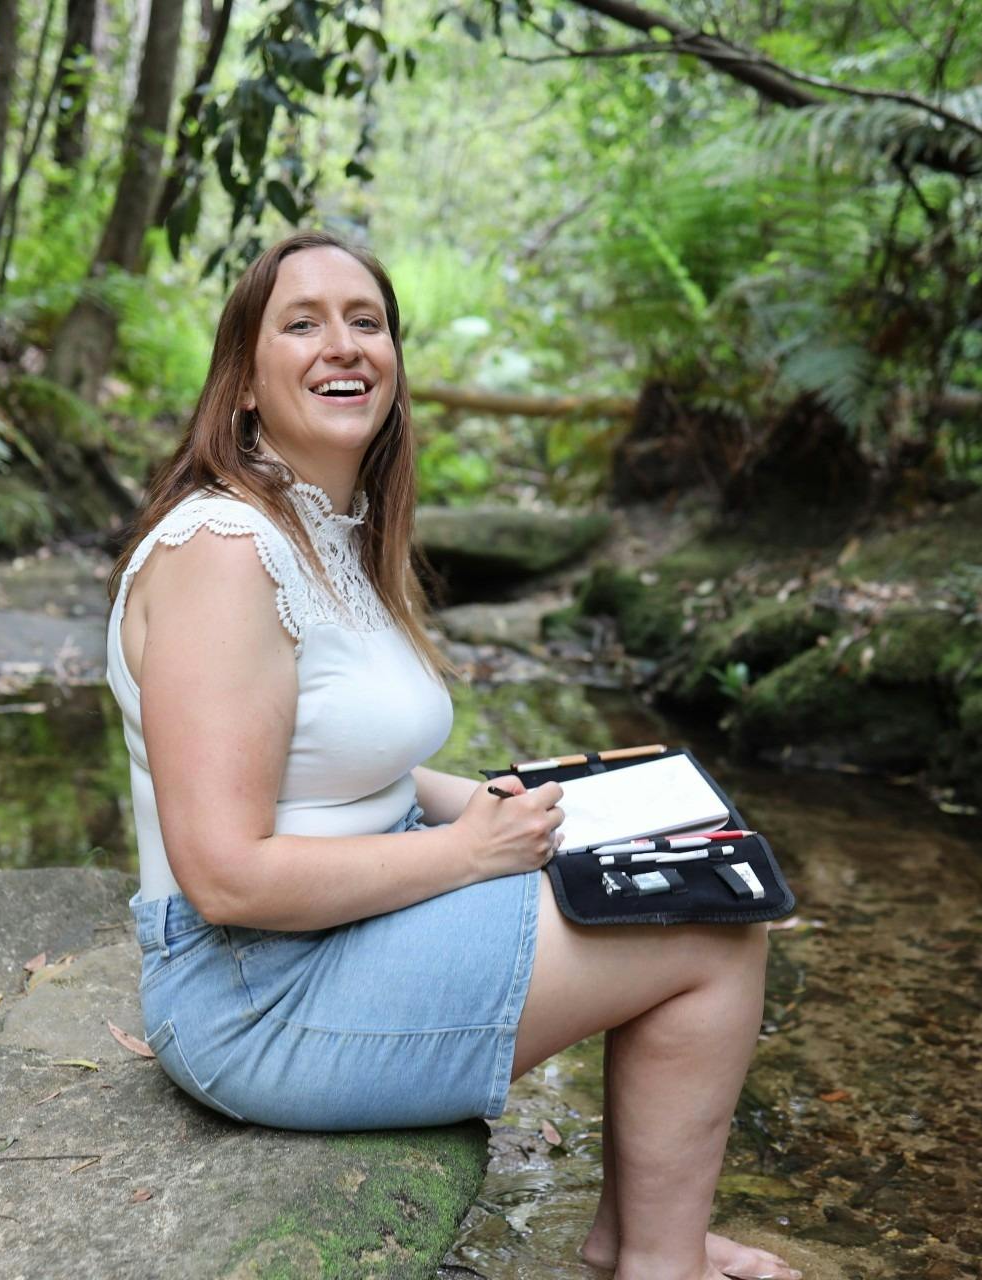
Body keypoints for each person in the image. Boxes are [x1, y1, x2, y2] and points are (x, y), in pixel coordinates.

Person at [105, 230, 798, 1280]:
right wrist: (469, 853)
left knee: (688, 857)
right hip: (257, 992)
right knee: (709, 929)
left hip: (341, 933)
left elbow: (343, 765)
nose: (344, 346)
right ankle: (657, 1258)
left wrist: (508, 805)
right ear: (244, 380)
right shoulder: (223, 553)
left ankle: (645, 1230)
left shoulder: (329, 530)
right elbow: (227, 873)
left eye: (367, 321)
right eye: (303, 323)